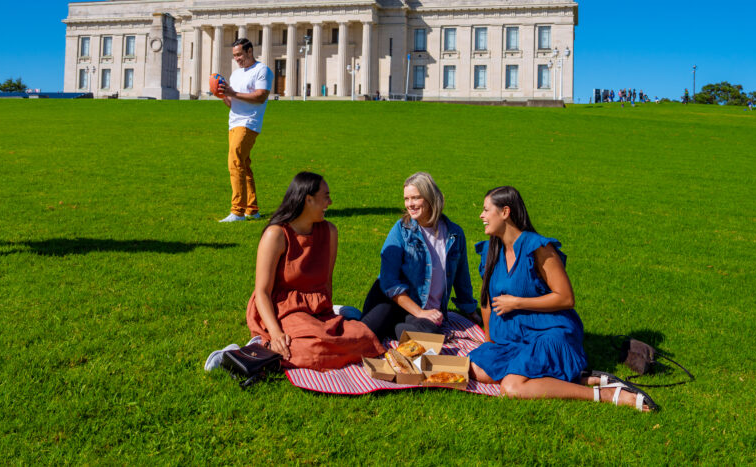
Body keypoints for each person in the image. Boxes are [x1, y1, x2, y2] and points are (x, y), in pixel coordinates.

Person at [467, 186, 657, 411]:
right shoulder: (491, 250)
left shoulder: (538, 247)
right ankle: (580, 378)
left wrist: (517, 302)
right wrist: (489, 339)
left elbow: (566, 298)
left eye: (486, 210)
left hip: (548, 332)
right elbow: (486, 300)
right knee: (475, 370)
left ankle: (604, 394)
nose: (481, 215)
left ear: (505, 212)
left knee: (512, 387)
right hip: (513, 337)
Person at [246, 172, 385, 369]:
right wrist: (276, 334)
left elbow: (326, 281)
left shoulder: (329, 232)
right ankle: (250, 349)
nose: (330, 202)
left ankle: (335, 315)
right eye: (326, 196)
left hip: (318, 309)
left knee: (363, 337)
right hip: (283, 309)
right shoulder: (276, 234)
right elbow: (262, 292)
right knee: (310, 348)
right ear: (308, 200)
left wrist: (327, 317)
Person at [360, 172, 481, 341]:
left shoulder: (454, 234)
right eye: (406, 199)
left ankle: (393, 329)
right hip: (391, 301)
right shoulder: (401, 230)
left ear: (430, 198)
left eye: (415, 198)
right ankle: (380, 325)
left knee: (432, 335)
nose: (410, 204)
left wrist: (469, 310)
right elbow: (389, 281)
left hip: (422, 311)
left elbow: (462, 278)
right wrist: (420, 312)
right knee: (364, 333)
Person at [219, 38, 273, 222]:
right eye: (235, 56)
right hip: (233, 123)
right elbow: (233, 103)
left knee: (234, 162)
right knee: (243, 165)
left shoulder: (262, 70)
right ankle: (252, 208)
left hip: (249, 123)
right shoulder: (236, 74)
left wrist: (232, 93)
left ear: (250, 51)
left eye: (240, 54)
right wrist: (222, 94)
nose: (237, 59)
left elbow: (260, 96)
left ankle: (237, 211)